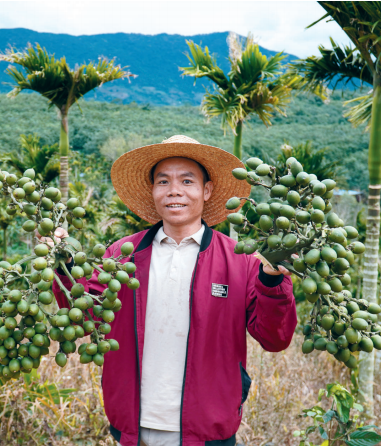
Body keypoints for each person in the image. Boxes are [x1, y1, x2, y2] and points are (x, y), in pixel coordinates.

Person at [49, 135, 297, 446]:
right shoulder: (123, 255)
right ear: (153, 191)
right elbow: (83, 316)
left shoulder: (241, 261)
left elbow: (275, 338)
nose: (174, 191)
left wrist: (273, 280)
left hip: (208, 428)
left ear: (206, 191)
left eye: (187, 181)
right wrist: (64, 264)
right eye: (163, 181)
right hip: (134, 424)